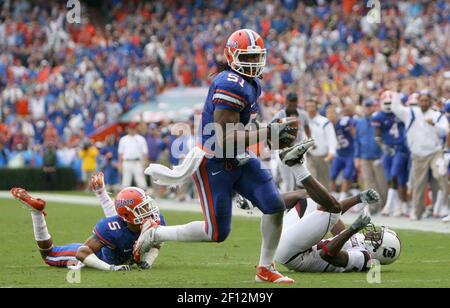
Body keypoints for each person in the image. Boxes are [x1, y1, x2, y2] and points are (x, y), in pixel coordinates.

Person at [134, 29, 301, 284]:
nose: (253, 63)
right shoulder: (229, 85)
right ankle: (156, 233)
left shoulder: (251, 82)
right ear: (232, 56)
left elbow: (245, 130)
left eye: (257, 57)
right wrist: (270, 132)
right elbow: (224, 138)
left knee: (274, 205)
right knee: (215, 232)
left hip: (239, 157)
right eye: (247, 57)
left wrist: (273, 135)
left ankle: (265, 268)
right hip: (214, 161)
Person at [273, 139, 401, 272]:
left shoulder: (365, 259)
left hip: (294, 254)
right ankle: (259, 202)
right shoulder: (359, 239)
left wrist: (352, 229)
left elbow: (326, 254)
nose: (374, 233)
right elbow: (333, 218)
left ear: (381, 249)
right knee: (313, 196)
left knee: (330, 206)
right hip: (291, 244)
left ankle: (295, 164)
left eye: (377, 236)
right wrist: (359, 198)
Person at [9, 173, 164, 271]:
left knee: (120, 228)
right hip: (97, 257)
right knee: (49, 256)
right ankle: (37, 213)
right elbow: (82, 252)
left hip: (118, 244)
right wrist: (110, 268)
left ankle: (101, 192)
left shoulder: (153, 219)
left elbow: (157, 242)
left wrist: (148, 261)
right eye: (141, 209)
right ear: (129, 215)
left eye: (146, 206)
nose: (148, 211)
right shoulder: (111, 227)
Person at [391, 91, 449, 220]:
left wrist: (435, 124)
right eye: (422, 101)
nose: (424, 103)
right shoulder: (411, 113)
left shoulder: (437, 115)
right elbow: (395, 108)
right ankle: (417, 211)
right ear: (418, 102)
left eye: (426, 101)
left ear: (430, 102)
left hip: (435, 151)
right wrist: (396, 92)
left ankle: (445, 207)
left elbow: (445, 131)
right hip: (418, 154)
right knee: (418, 184)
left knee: (441, 173)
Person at [372, 91, 410, 217]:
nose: (388, 105)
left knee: (396, 176)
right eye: (386, 103)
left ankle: (390, 205)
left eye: (390, 102)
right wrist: (383, 146)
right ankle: (400, 204)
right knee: (390, 177)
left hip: (400, 148)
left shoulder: (401, 113)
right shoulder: (378, 116)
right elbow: (377, 136)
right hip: (388, 149)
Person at [272, 92, 311, 192]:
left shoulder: (302, 114)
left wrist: (310, 139)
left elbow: (307, 126)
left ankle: (301, 200)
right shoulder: (280, 115)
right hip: (283, 148)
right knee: (287, 180)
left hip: (298, 147)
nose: (292, 105)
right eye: (290, 103)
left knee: (301, 178)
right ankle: (287, 203)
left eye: (294, 103)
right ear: (286, 102)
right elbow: (271, 129)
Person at [354, 99, 387, 213]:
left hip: (378, 156)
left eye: (370, 106)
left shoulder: (379, 120)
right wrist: (357, 156)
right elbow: (357, 140)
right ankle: (373, 207)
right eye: (366, 107)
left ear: (374, 107)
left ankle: (384, 205)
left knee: (381, 182)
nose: (368, 109)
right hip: (365, 157)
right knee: (368, 183)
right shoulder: (360, 122)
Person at [305, 98, 337, 190]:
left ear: (316, 108)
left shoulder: (324, 122)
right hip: (310, 155)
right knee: (311, 181)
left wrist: (332, 152)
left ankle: (327, 203)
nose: (310, 109)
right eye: (308, 107)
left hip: (323, 156)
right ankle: (313, 203)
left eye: (312, 106)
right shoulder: (304, 122)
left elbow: (331, 138)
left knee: (324, 182)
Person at [327, 104, 357, 201]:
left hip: (349, 154)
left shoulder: (344, 122)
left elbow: (354, 130)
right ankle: (333, 195)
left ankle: (342, 197)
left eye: (332, 113)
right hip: (339, 154)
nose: (330, 115)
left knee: (347, 175)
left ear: (337, 114)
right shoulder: (327, 126)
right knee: (332, 176)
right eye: (329, 113)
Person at [118, 122, 149, 190]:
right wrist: (120, 164)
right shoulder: (123, 139)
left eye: (133, 128)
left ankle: (144, 198)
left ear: (136, 129)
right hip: (126, 162)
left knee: (141, 182)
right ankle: (124, 199)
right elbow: (120, 153)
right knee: (125, 182)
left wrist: (145, 163)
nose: (132, 130)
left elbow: (145, 153)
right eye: (131, 128)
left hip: (137, 162)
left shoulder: (141, 139)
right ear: (128, 129)